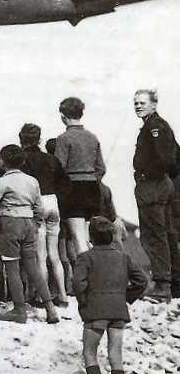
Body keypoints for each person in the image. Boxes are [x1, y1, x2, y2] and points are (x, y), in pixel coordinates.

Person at [0, 145, 60, 325]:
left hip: (10, 223)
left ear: (2, 162)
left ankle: (19, 310)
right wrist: (35, 225)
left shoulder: (2, 182)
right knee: (32, 267)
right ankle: (50, 308)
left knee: (11, 268)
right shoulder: (32, 181)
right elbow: (39, 207)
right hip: (29, 223)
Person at [72, 217, 148, 374]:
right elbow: (141, 281)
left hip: (95, 311)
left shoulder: (85, 257)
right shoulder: (123, 257)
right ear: (112, 236)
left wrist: (84, 303)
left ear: (91, 237)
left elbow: (78, 284)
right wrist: (124, 298)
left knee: (90, 352)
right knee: (116, 355)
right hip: (117, 311)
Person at [132, 89, 180, 302]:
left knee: (154, 234)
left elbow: (165, 160)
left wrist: (143, 175)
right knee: (165, 233)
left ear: (154, 104)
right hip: (159, 184)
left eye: (142, 102)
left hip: (154, 185)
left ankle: (162, 284)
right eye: (136, 103)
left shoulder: (156, 127)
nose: (138, 106)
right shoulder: (153, 125)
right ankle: (172, 283)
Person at [18, 123, 70, 306]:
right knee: (54, 254)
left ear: (21, 138)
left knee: (41, 255)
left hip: (37, 203)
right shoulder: (51, 159)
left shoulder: (23, 161)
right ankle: (63, 296)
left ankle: (42, 296)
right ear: (39, 139)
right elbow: (65, 184)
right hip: (53, 202)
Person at [54, 97, 106, 257]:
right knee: (88, 237)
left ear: (63, 116)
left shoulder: (63, 138)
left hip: (73, 189)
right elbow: (101, 168)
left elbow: (58, 168)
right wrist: (90, 178)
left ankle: (89, 276)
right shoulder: (92, 137)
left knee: (78, 237)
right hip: (92, 189)